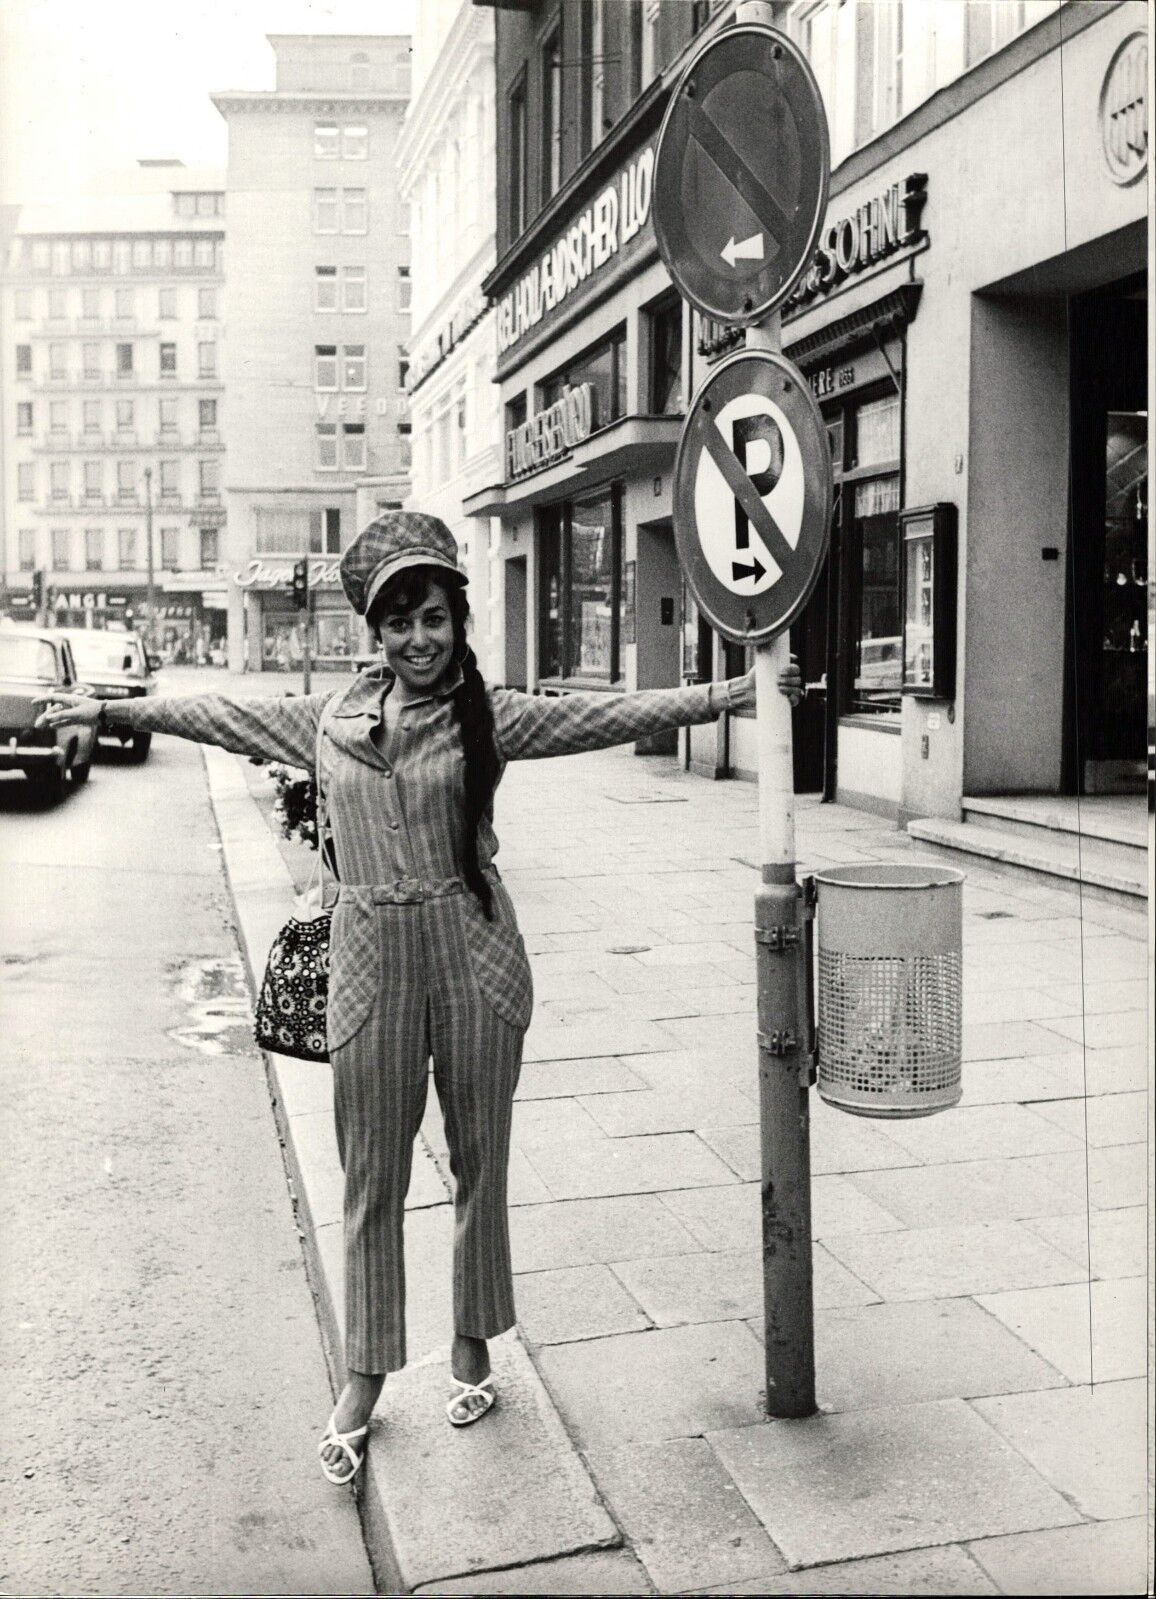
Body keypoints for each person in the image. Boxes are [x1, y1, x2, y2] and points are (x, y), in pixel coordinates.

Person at [38, 513, 802, 1487]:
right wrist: (123, 713)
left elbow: (616, 715)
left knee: (482, 1158)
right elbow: (219, 717)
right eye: (398, 622)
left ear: (457, 619)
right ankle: (365, 1375)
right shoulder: (327, 719)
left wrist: (744, 692)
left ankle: (475, 1338)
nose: (418, 640)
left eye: (433, 618)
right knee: (371, 1177)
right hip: (367, 961)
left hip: (474, 953)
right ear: (375, 631)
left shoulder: (492, 716)